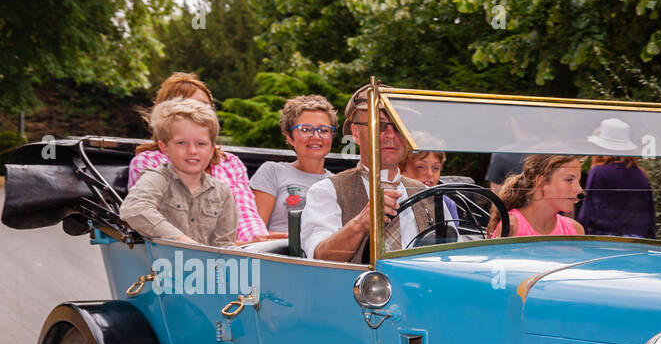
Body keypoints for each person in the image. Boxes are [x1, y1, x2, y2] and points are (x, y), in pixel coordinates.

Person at [300, 84, 440, 263]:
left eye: (399, 126)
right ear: (356, 133)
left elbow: (451, 255)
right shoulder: (327, 191)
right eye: (380, 126)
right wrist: (360, 224)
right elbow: (320, 257)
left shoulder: (428, 195)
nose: (390, 135)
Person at [128, 72, 270, 243]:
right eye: (186, 106)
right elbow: (144, 214)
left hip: (229, 251)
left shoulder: (230, 164)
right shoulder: (150, 163)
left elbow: (244, 212)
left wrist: (258, 240)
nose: (195, 113)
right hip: (173, 253)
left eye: (203, 106)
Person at [120, 98, 237, 248]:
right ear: (165, 148)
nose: (192, 151)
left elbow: (225, 244)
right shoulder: (157, 178)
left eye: (201, 144)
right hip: (160, 265)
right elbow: (134, 209)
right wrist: (182, 241)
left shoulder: (222, 192)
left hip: (205, 267)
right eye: (181, 143)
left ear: (212, 150)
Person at [249, 95, 338, 236]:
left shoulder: (338, 183)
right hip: (277, 253)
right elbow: (254, 234)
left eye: (324, 130)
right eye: (305, 129)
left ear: (332, 136)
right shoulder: (272, 172)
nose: (316, 136)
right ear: (289, 137)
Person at [487, 154, 585, 237]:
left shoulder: (575, 230)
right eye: (569, 180)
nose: (579, 189)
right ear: (541, 182)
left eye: (579, 181)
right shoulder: (512, 227)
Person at [578, 155, 656, 238]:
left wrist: (581, 234)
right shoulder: (640, 174)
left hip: (604, 237)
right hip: (636, 238)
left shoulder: (598, 172)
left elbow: (588, 207)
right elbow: (649, 210)